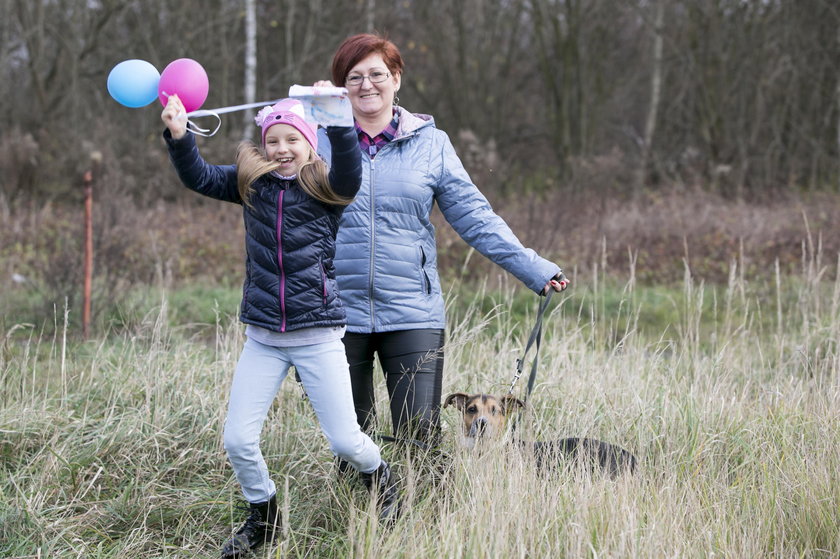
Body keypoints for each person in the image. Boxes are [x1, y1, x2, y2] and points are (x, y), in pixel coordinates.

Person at [161, 93, 399, 558]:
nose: (282, 148)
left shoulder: (328, 189)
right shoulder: (252, 184)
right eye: (274, 140)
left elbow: (351, 172)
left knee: (346, 441)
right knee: (237, 440)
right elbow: (199, 176)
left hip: (318, 336)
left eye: (293, 139)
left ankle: (382, 476)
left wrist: (335, 120)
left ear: (310, 145)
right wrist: (179, 135)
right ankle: (264, 517)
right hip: (264, 339)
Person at [314, 33, 570, 449]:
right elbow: (272, 197)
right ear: (341, 87)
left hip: (413, 312)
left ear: (396, 78)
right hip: (335, 310)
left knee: (420, 438)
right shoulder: (316, 139)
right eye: (353, 77)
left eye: (377, 74)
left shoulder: (432, 144)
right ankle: (357, 515)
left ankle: (425, 513)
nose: (366, 85)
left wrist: (534, 268)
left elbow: (476, 217)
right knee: (349, 439)